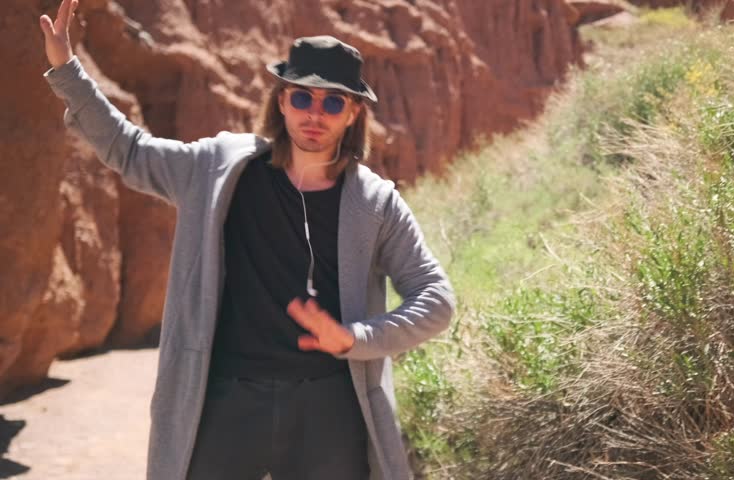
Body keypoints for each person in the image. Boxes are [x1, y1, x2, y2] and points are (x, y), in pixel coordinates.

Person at [39, 1, 456, 479]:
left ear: (353, 113)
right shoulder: (218, 168)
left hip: (328, 408)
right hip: (225, 401)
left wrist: (356, 338)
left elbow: (436, 299)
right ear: (281, 101)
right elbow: (130, 151)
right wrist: (66, 70)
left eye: (332, 102)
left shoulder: (376, 203)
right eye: (302, 97)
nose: (314, 113)